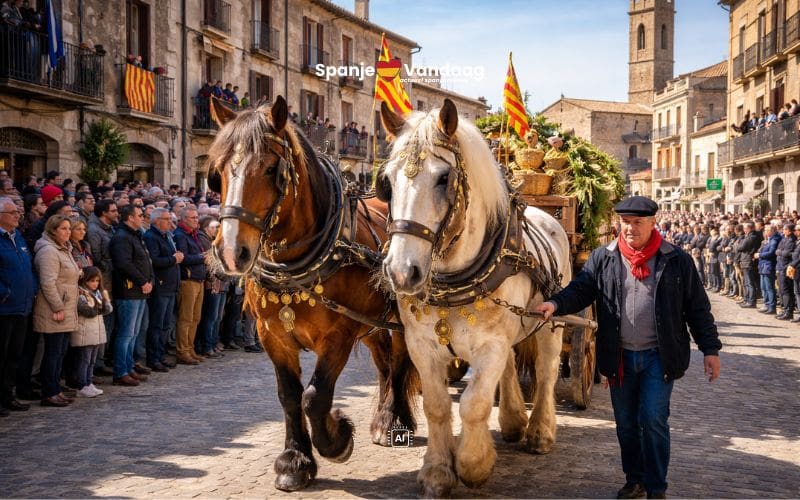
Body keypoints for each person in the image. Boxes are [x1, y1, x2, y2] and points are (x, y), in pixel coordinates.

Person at [535, 196, 721, 500]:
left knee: (653, 419)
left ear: (652, 223)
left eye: (638, 222)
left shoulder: (676, 260)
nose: (631, 228)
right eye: (625, 222)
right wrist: (555, 303)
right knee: (625, 425)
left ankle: (657, 487)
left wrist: (710, 350)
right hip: (619, 356)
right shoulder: (603, 257)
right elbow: (581, 289)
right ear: (618, 223)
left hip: (658, 358)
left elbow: (698, 309)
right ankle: (634, 480)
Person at [34, 215, 81, 407]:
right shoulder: (49, 251)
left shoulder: (64, 249)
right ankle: (49, 391)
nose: (68, 232)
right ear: (53, 230)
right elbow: (48, 283)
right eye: (63, 228)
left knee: (60, 351)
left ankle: (56, 389)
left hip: (67, 306)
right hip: (55, 309)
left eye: (69, 228)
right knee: (53, 352)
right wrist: (58, 307)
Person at [109, 204, 153, 387]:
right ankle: (121, 371)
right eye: (139, 215)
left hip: (140, 290)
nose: (142, 217)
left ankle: (128, 367)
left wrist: (148, 280)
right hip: (129, 290)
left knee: (134, 333)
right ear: (129, 217)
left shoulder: (136, 235)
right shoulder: (121, 237)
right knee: (126, 333)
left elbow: (145, 261)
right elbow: (124, 264)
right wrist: (143, 282)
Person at [0, 197, 36, 415]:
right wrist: (5, 293)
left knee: (15, 355)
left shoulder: (18, 237)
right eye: (13, 212)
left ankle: (7, 395)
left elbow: (28, 266)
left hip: (22, 306)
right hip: (4, 308)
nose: (18, 216)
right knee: (1, 355)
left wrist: (32, 288)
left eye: (17, 212)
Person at [143, 207, 182, 372]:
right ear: (156, 220)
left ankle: (161, 355)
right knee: (157, 325)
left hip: (171, 285)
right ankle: (153, 358)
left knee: (165, 325)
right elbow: (154, 260)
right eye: (166, 219)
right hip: (160, 285)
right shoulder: (151, 237)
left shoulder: (168, 236)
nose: (170, 222)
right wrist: (173, 259)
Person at [72, 267, 112, 398]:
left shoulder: (97, 293)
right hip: (85, 333)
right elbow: (88, 311)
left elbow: (107, 310)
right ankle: (82, 385)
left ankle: (89, 382)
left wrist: (105, 300)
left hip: (96, 333)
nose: (95, 284)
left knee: (92, 360)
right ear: (85, 280)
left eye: (97, 281)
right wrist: (99, 306)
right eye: (92, 281)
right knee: (85, 360)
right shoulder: (81, 294)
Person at [173, 207, 205, 365]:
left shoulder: (195, 234)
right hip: (188, 281)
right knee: (185, 318)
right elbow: (183, 258)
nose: (196, 220)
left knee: (195, 318)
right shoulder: (180, 235)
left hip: (199, 279)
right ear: (183, 218)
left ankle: (190, 348)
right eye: (192, 217)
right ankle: (182, 351)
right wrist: (202, 257)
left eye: (197, 217)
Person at [755, 224, 780, 314]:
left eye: (767, 230)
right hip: (763, 265)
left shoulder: (774, 240)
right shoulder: (767, 240)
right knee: (763, 287)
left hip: (768, 266)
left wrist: (760, 255)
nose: (765, 232)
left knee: (769, 287)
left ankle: (772, 306)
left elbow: (771, 253)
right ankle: (766, 304)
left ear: (772, 231)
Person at [736, 221, 762, 308]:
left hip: (748, 261)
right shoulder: (748, 236)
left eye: (745, 228)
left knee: (750, 282)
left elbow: (740, 247)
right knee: (746, 282)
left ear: (749, 228)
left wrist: (737, 245)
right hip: (745, 260)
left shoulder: (752, 237)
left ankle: (751, 301)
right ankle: (747, 299)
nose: (744, 230)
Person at [775, 223, 797, 320]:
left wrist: (780, 252)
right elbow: (777, 250)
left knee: (786, 290)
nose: (783, 231)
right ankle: (785, 309)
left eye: (785, 229)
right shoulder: (784, 239)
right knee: (782, 290)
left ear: (790, 231)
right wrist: (780, 252)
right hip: (780, 265)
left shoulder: (791, 240)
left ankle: (789, 311)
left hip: (785, 267)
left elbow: (786, 253)